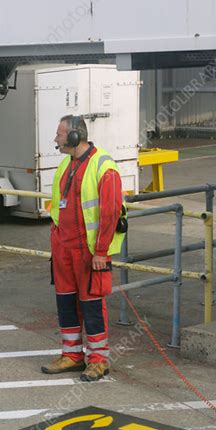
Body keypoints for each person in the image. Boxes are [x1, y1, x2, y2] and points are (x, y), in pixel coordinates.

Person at [42, 114, 127, 382]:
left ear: (76, 135)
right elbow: (58, 207)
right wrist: (56, 246)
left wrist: (101, 251)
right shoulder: (66, 166)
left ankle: (99, 360)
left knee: (91, 305)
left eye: (60, 133)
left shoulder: (104, 166)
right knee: (66, 303)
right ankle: (72, 355)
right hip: (64, 251)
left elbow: (111, 212)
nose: (56, 138)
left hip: (90, 253)